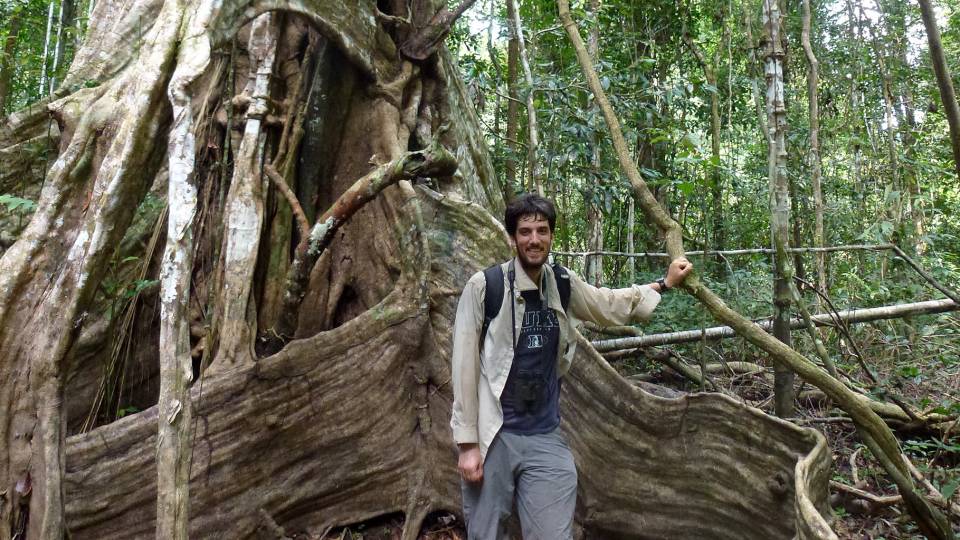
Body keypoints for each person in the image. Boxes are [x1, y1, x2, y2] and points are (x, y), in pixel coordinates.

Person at [449, 193, 693, 539]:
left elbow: (607, 304)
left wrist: (663, 284)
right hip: (494, 436)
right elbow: (463, 367)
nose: (534, 240)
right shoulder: (485, 287)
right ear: (512, 238)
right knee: (485, 533)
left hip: (545, 435)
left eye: (542, 231)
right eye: (525, 231)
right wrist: (467, 444)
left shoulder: (561, 283)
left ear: (551, 236)